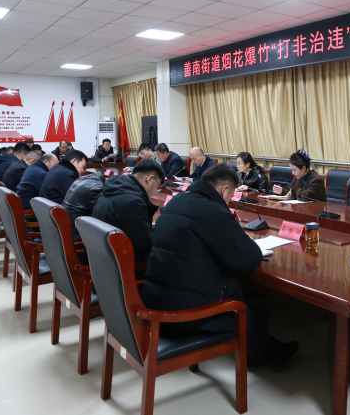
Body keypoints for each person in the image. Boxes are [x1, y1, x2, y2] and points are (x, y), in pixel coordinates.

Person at [142, 163, 299, 371]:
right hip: (184, 314)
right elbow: (248, 259)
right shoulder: (214, 210)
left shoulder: (177, 201)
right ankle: (262, 358)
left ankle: (270, 347)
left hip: (156, 300)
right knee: (254, 316)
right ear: (224, 190)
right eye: (231, 196)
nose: (229, 201)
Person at [91, 159, 162, 262]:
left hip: (102, 257)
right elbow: (144, 244)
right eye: (158, 186)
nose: (156, 191)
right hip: (121, 263)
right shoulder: (133, 201)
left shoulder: (110, 190)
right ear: (149, 179)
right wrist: (161, 224)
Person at [62, 171, 106, 243]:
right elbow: (101, 213)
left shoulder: (84, 179)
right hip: (77, 235)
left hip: (69, 230)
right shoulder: (96, 188)